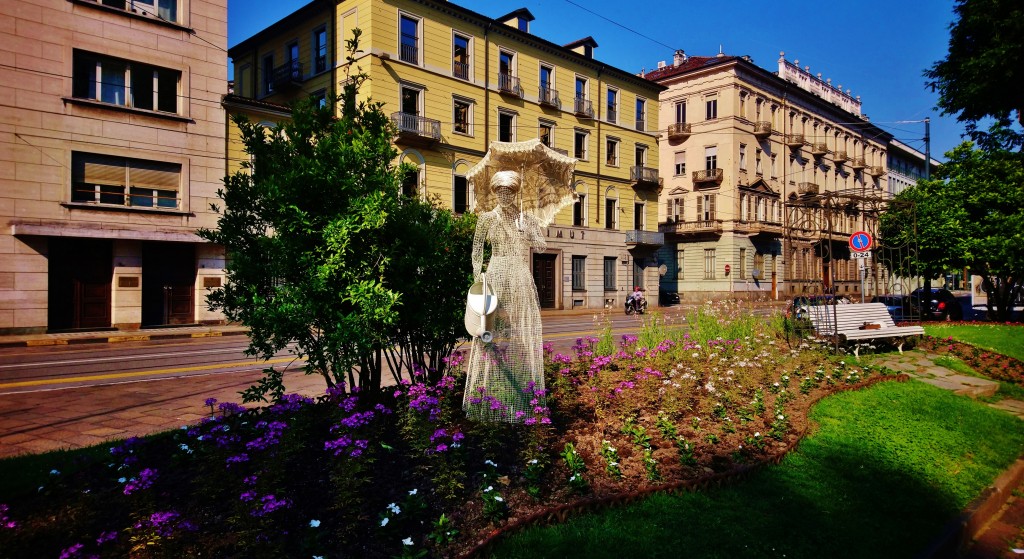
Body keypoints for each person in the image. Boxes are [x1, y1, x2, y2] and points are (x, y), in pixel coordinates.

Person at [463, 170, 546, 423]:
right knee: (491, 329)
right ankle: (488, 389)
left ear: (515, 193)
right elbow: (477, 252)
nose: (505, 196)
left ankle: (521, 395)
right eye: (501, 191)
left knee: (519, 330)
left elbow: (542, 246)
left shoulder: (525, 218)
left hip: (520, 276)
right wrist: (479, 279)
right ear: (495, 192)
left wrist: (528, 230)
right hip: (496, 275)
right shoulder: (486, 218)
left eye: (510, 191)